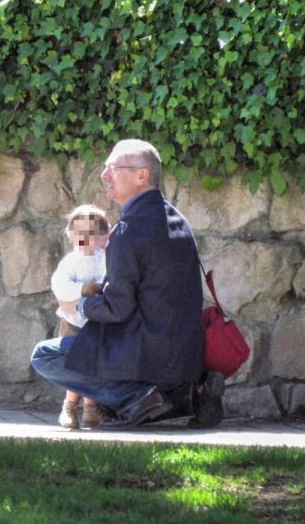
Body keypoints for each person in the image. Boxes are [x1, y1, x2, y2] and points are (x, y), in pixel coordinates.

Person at [30, 139, 223, 430]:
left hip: (145, 353)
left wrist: (79, 303)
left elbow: (117, 308)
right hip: (184, 356)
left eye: (113, 168)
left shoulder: (129, 229)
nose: (104, 175)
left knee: (45, 355)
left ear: (141, 175)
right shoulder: (178, 220)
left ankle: (137, 398)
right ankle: (188, 397)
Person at [51, 204, 109, 429]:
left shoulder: (104, 259)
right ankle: (69, 406)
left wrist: (100, 289)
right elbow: (60, 285)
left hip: (97, 322)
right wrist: (84, 289)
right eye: (80, 233)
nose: (86, 239)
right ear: (70, 235)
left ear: (103, 236)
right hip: (73, 322)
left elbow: (109, 281)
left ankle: (91, 407)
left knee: (94, 364)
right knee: (73, 364)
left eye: (92, 233)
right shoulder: (70, 262)